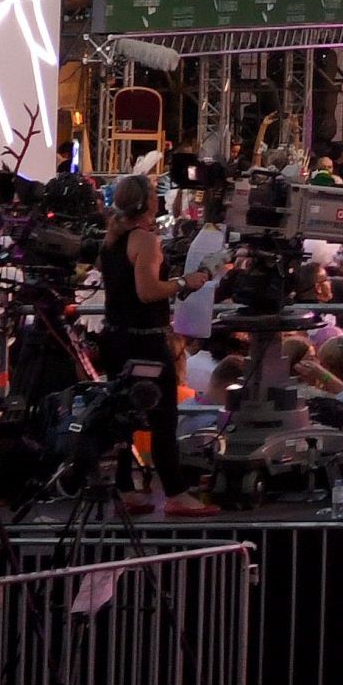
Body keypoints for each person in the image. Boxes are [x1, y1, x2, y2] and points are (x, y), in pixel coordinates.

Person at [95, 174, 207, 511]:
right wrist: (185, 282)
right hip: (144, 341)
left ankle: (125, 488)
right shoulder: (144, 241)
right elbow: (147, 292)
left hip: (114, 337)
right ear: (149, 204)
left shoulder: (111, 238)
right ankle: (175, 492)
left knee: (122, 414)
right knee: (163, 416)